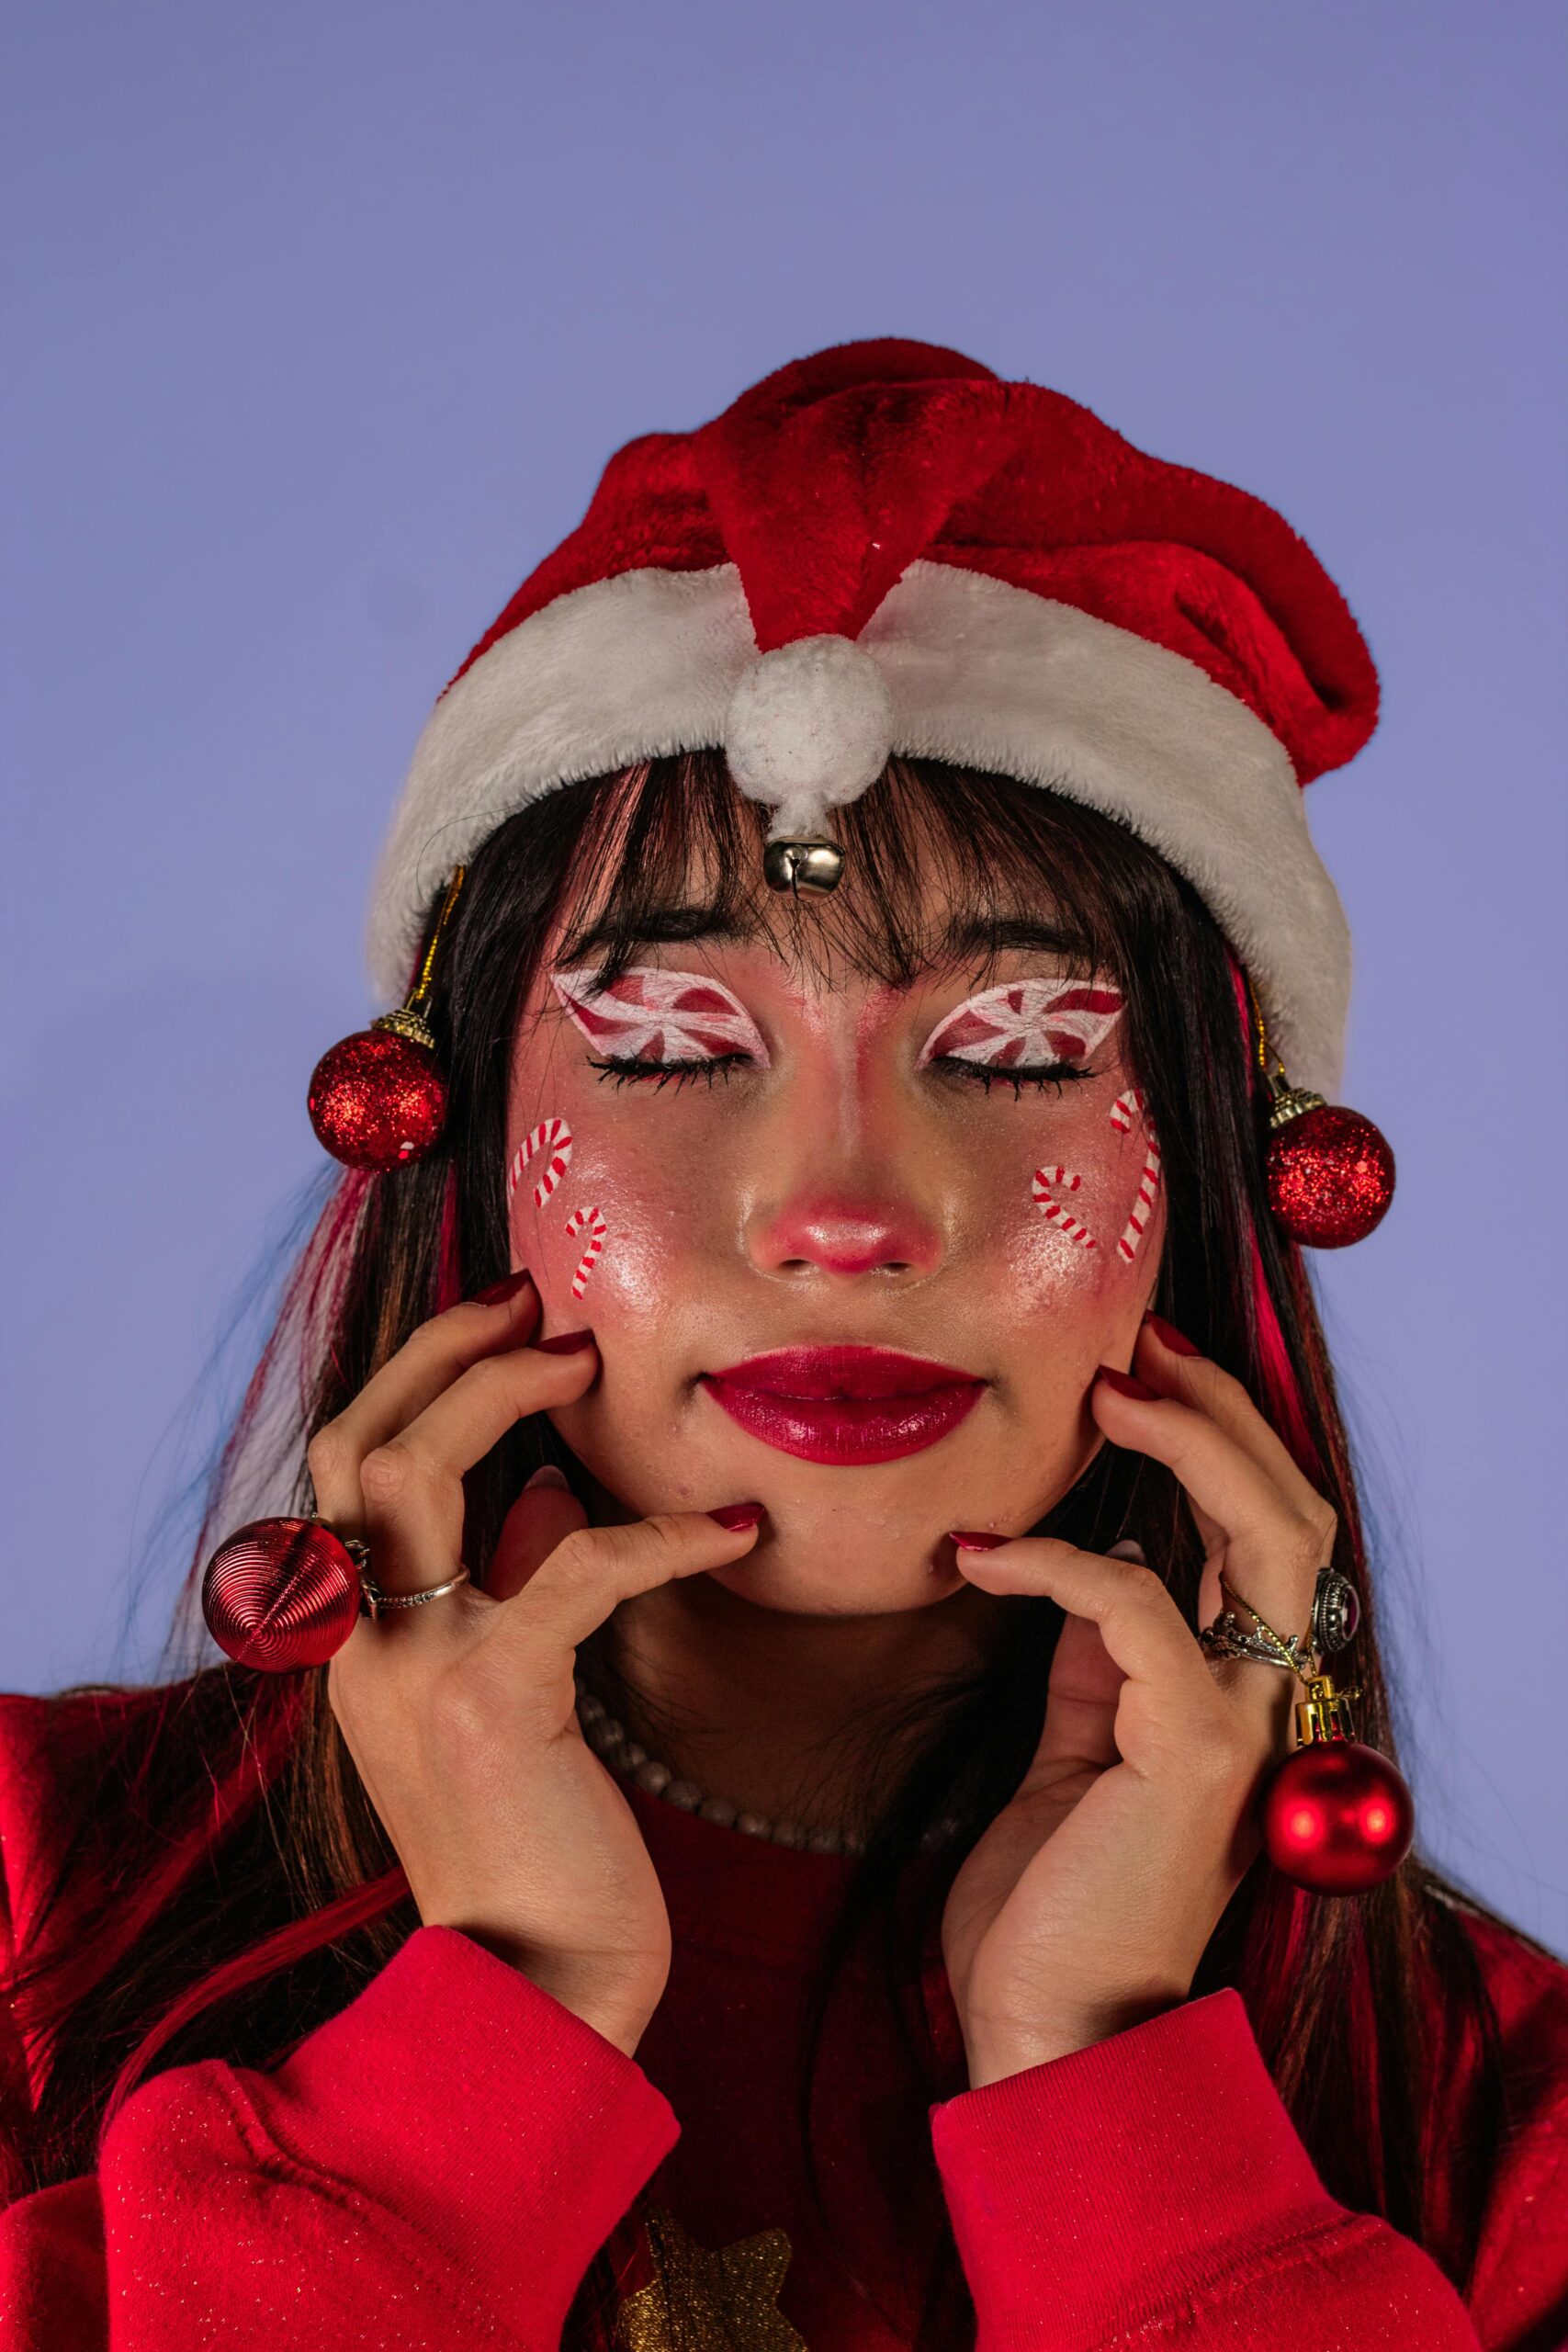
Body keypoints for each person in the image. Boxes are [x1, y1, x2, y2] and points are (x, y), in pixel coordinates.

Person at [1, 340, 1563, 2352]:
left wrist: (1117, 2107)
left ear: (1214, 1168)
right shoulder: (36, 1904)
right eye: (665, 1044)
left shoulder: (1506, 2134)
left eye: (1011, 1051)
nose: (843, 1212)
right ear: (447, 1131)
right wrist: (486, 2038)